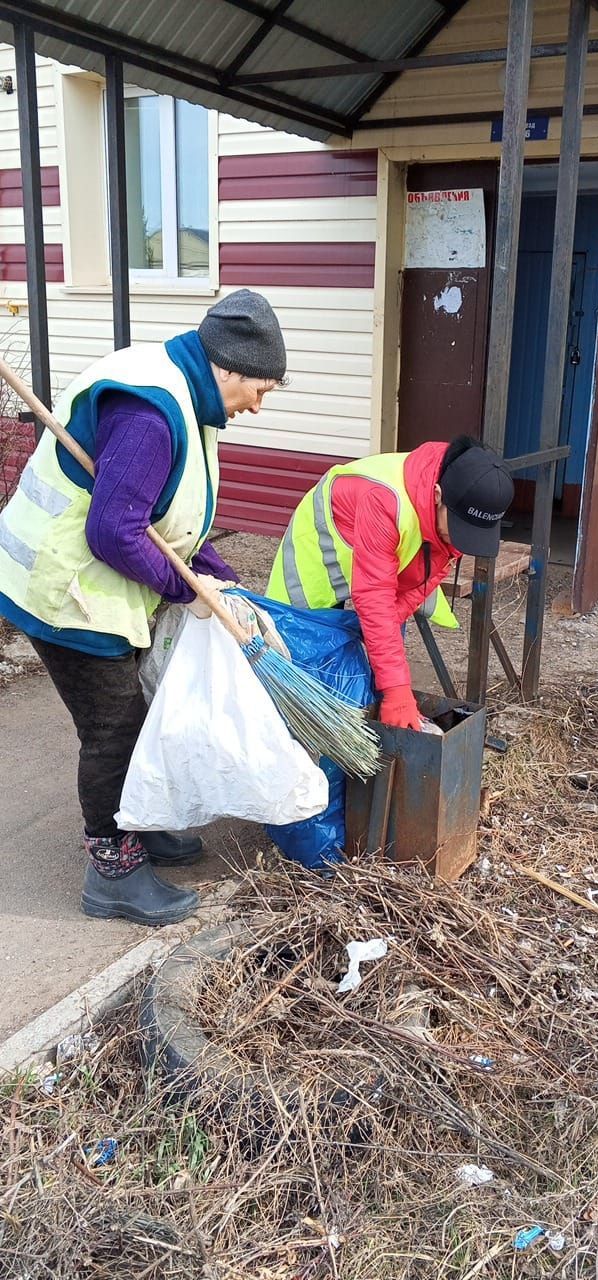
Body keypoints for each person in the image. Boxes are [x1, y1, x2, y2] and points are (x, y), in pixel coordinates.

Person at [0, 289, 287, 926]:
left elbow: (166, 518)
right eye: (260, 389)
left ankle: (141, 822)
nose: (258, 404)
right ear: (230, 368)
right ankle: (112, 869)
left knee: (143, 708)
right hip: (66, 587)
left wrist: (216, 572)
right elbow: (113, 531)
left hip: (92, 581)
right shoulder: (150, 414)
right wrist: (189, 590)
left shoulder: (187, 395)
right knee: (115, 726)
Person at [267, 436, 514, 729]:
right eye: (461, 529)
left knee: (376, 659)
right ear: (437, 495)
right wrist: (397, 692)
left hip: (382, 554)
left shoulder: (459, 498)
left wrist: (383, 633)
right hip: (323, 546)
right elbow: (373, 595)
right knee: (304, 655)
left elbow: (431, 571)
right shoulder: (385, 499)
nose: (462, 540)